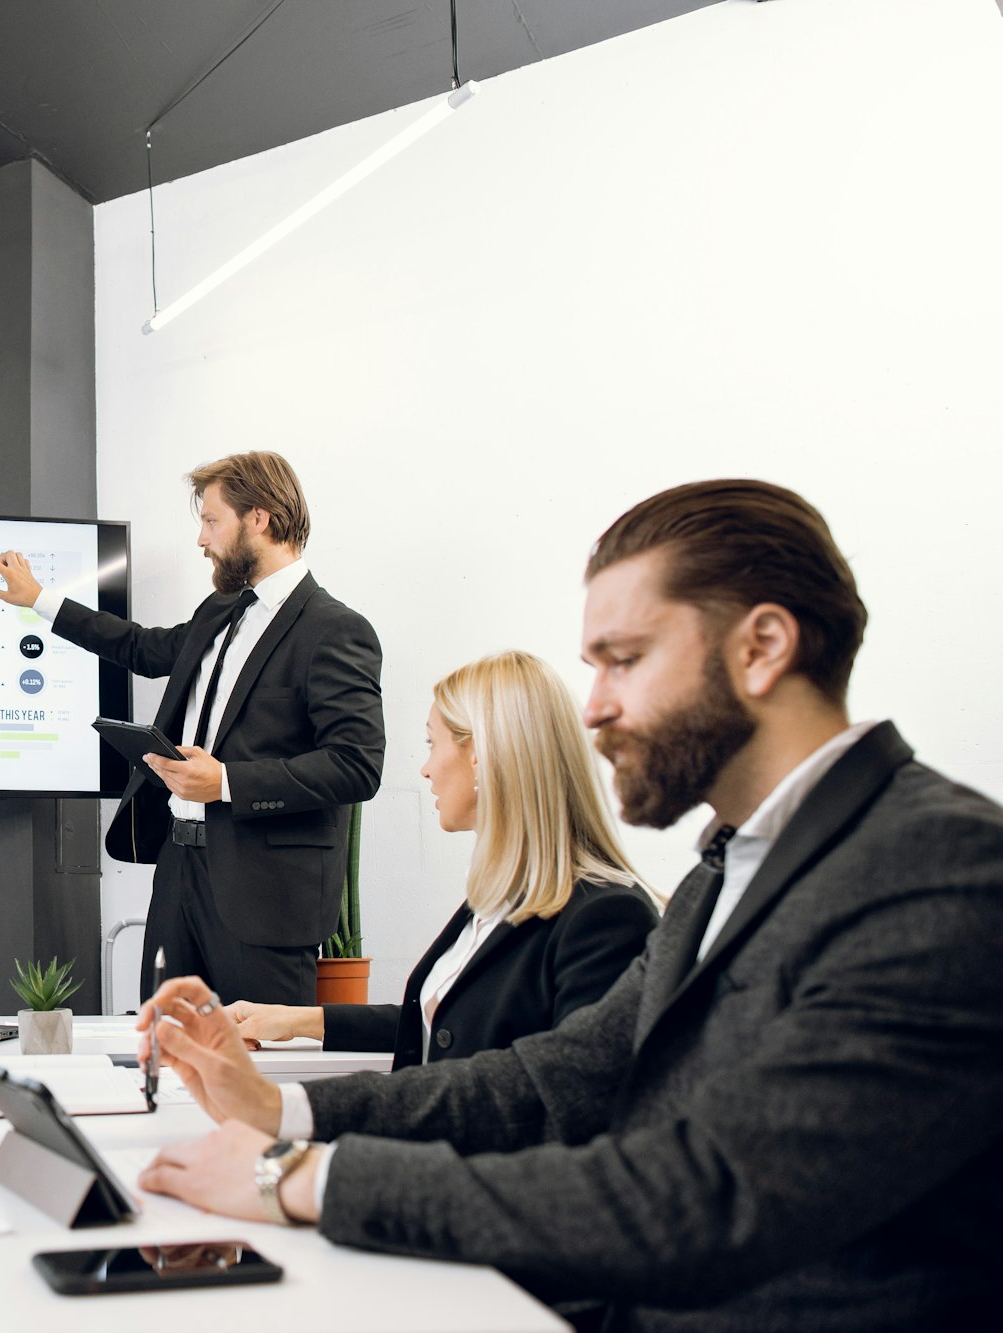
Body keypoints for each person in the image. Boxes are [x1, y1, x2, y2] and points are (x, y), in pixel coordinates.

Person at [134, 480, 1003, 1330]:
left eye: (624, 660)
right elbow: (548, 1079)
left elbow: (706, 1199)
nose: (594, 709)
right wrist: (281, 1111)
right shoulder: (723, 870)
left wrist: (294, 1176)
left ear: (763, 645)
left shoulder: (941, 870)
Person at [0, 451, 385, 1006]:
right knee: (168, 1048)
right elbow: (141, 648)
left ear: (259, 518)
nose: (202, 539)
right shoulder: (221, 610)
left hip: (265, 895)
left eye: (212, 521)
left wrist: (225, 782)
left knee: (257, 1066)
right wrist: (40, 600)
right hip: (180, 868)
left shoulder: (335, 629)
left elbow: (356, 765)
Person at [226, 650, 657, 1068]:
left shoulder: (606, 918)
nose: (425, 769)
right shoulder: (498, 900)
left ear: (481, 755)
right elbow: (453, 1027)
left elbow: (551, 1097)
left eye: (433, 743)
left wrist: (300, 1109)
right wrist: (298, 1020)